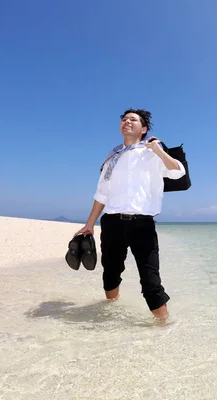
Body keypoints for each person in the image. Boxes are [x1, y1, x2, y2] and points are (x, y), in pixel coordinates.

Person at [74, 108, 186, 322]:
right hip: (112, 223)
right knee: (110, 274)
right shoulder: (112, 157)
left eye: (133, 120)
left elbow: (178, 171)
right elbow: (102, 194)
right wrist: (89, 224)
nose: (127, 122)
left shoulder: (152, 153)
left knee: (151, 280)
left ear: (143, 128)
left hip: (142, 225)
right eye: (124, 119)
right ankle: (110, 312)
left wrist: (158, 151)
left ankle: (164, 327)